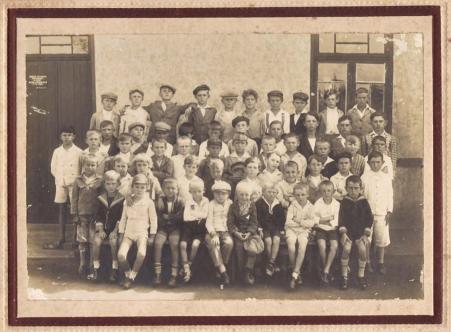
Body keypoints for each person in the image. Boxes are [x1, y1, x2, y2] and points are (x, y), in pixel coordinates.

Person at [44, 126, 82, 250]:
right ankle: (61, 237)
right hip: (60, 183)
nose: (67, 138)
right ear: (61, 137)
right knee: (61, 210)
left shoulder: (79, 152)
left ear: (74, 136)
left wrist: (73, 181)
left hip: (74, 184)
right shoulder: (57, 151)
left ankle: (76, 238)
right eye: (64, 135)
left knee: (75, 210)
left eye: (69, 135)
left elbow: (81, 169)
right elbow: (53, 168)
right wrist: (61, 178)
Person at [117, 174, 158, 289]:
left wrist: (152, 236)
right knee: (121, 255)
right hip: (128, 234)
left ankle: (131, 277)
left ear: (146, 188)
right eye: (137, 186)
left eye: (142, 187)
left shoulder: (149, 202)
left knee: (141, 253)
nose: (139, 189)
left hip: (142, 234)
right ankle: (127, 273)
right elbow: (123, 218)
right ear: (132, 187)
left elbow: (153, 219)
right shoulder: (127, 201)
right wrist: (121, 234)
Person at [70, 155, 103, 278]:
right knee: (82, 239)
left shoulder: (100, 181)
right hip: (82, 215)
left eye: (93, 165)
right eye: (88, 164)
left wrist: (100, 215)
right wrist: (75, 214)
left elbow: (102, 199)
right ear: (84, 165)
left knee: (92, 240)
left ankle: (91, 264)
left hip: (94, 215)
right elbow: (74, 199)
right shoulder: (78, 180)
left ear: (97, 166)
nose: (90, 167)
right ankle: (82, 262)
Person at [338, 175, 373, 290]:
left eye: (356, 188)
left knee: (362, 250)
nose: (353, 191)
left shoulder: (364, 202)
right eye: (350, 188)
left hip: (360, 234)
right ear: (346, 188)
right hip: (348, 233)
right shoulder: (344, 202)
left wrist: (365, 234)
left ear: (361, 189)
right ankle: (344, 276)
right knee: (347, 249)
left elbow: (369, 219)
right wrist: (343, 233)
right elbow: (341, 219)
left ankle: (361, 275)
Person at [361, 151, 393, 275]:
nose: (375, 165)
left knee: (382, 239)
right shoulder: (364, 177)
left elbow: (390, 195)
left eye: (378, 162)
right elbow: (362, 196)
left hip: (382, 213)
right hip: (367, 214)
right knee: (367, 239)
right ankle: (367, 262)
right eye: (372, 162)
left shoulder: (386, 178)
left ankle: (381, 262)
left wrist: (389, 211)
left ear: (382, 163)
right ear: (368, 163)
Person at [91, 170, 124, 282]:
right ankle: (96, 268)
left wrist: (115, 231)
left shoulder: (122, 199)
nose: (111, 186)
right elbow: (98, 216)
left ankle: (114, 269)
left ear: (118, 184)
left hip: (115, 229)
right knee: (96, 241)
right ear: (104, 184)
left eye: (113, 183)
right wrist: (100, 230)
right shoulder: (101, 198)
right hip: (103, 228)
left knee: (114, 242)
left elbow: (122, 217)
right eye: (108, 184)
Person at [227, 182, 262, 285]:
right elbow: (230, 222)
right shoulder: (233, 206)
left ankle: (248, 270)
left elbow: (254, 222)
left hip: (250, 233)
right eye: (241, 194)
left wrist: (249, 233)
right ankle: (241, 271)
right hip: (238, 233)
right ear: (237, 195)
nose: (244, 197)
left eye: (246, 195)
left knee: (252, 247)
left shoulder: (252, 206)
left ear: (250, 195)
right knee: (239, 247)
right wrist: (236, 232)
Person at [153, 178, 185, 288]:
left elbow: (181, 217)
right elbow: (158, 217)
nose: (170, 190)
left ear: (177, 190)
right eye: (168, 188)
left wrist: (170, 217)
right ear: (163, 189)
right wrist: (166, 220)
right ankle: (158, 274)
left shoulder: (181, 201)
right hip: (163, 227)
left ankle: (174, 275)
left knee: (174, 244)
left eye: (173, 188)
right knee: (157, 244)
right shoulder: (160, 201)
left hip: (175, 228)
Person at [285, 182, 317, 289]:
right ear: (294, 195)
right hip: (292, 230)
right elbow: (288, 222)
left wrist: (299, 221)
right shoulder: (292, 205)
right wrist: (303, 222)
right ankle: (296, 271)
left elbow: (312, 222)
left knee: (302, 246)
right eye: (297, 195)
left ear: (307, 195)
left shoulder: (310, 207)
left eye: (303, 195)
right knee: (291, 245)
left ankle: (294, 274)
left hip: (304, 231)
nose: (300, 197)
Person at [205, 181, 234, 286]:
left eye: (223, 193)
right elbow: (208, 222)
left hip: (225, 231)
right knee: (214, 244)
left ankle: (220, 267)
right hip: (213, 231)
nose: (220, 196)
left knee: (229, 243)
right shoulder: (211, 204)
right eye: (217, 193)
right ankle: (223, 272)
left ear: (228, 194)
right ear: (213, 194)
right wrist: (214, 234)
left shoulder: (230, 203)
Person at [180, 178, 209, 283]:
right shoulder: (188, 201)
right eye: (194, 191)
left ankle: (189, 265)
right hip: (188, 227)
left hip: (200, 229)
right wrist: (198, 216)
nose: (197, 194)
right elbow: (186, 217)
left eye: (199, 191)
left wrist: (195, 214)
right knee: (183, 245)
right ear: (190, 191)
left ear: (204, 190)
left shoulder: (206, 201)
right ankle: (186, 267)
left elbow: (205, 215)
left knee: (195, 245)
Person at [255, 182, 285, 277]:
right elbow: (256, 217)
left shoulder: (278, 204)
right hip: (264, 227)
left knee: (276, 239)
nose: (271, 194)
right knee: (268, 241)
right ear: (263, 192)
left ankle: (271, 262)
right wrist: (259, 228)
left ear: (276, 193)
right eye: (269, 192)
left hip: (275, 227)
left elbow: (281, 218)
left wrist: (281, 229)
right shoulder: (259, 203)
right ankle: (270, 261)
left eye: (274, 192)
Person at [313, 180, 340, 285]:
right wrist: (324, 220)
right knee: (322, 245)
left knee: (334, 245)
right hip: (321, 229)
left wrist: (323, 219)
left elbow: (336, 219)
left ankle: (326, 269)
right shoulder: (318, 203)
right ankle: (327, 268)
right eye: (323, 191)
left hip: (332, 229)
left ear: (333, 192)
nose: (326, 193)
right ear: (320, 192)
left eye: (329, 191)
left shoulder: (337, 204)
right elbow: (314, 218)